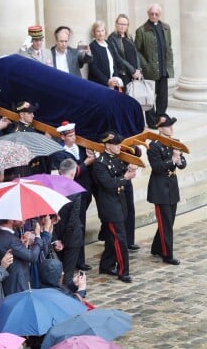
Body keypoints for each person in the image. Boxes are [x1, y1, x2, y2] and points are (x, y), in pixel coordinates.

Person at [92, 131, 137, 283]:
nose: (119, 147)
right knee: (120, 240)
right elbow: (109, 184)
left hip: (119, 204)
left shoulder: (116, 158)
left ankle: (106, 264)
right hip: (110, 207)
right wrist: (126, 177)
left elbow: (120, 173)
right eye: (116, 144)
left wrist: (129, 170)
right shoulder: (100, 163)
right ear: (108, 145)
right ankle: (123, 271)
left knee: (112, 239)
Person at [50, 121, 95, 271]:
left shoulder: (79, 148)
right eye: (70, 135)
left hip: (83, 189)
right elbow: (68, 172)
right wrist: (86, 163)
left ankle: (79, 258)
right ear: (63, 137)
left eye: (74, 134)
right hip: (70, 192)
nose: (73, 138)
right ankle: (72, 259)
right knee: (72, 223)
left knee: (80, 224)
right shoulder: (59, 152)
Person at [148, 114, 187, 265]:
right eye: (168, 126)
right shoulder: (154, 146)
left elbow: (183, 164)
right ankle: (167, 254)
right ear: (159, 128)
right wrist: (173, 159)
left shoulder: (174, 143)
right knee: (165, 223)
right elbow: (157, 167)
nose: (171, 129)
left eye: (171, 125)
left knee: (168, 222)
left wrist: (179, 159)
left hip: (171, 187)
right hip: (160, 189)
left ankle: (156, 247)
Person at [135, 3, 174, 128]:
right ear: (148, 14)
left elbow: (169, 47)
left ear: (159, 15)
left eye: (156, 14)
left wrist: (169, 64)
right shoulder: (141, 30)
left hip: (163, 68)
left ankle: (161, 117)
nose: (154, 16)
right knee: (150, 97)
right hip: (150, 70)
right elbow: (137, 50)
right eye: (152, 13)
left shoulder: (166, 28)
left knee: (163, 95)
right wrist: (145, 65)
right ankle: (152, 122)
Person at [0, 218, 47, 296]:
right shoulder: (11, 239)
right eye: (20, 218)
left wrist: (21, 245)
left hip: (6, 281)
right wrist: (38, 236)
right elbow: (33, 257)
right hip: (17, 282)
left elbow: (12, 249)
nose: (24, 221)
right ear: (11, 220)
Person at [53, 159, 84, 290]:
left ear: (60, 172)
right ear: (73, 173)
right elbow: (72, 221)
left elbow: (49, 217)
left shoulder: (52, 189)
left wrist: (55, 240)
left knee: (58, 273)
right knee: (68, 273)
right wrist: (64, 242)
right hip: (71, 238)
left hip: (56, 237)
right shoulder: (76, 192)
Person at [108, 14, 142, 88]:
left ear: (127, 26)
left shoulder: (129, 37)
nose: (122, 26)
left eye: (125, 24)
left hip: (135, 73)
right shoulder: (112, 38)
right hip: (123, 73)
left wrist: (138, 69)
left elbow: (136, 53)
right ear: (116, 24)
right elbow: (117, 57)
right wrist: (132, 70)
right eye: (120, 24)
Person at [88, 20, 123, 90]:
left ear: (105, 31)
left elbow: (114, 64)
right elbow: (93, 68)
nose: (100, 34)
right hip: (99, 84)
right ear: (94, 33)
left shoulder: (109, 43)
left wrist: (116, 78)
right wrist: (107, 81)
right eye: (98, 31)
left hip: (112, 84)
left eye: (102, 30)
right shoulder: (92, 46)